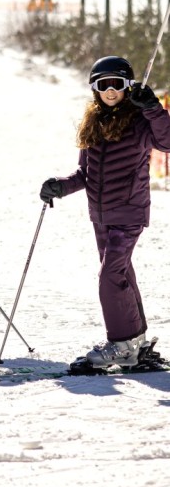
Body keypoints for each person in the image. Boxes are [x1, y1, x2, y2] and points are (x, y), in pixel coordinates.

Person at [39, 56, 170, 368]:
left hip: (129, 212)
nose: (111, 91)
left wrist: (152, 108)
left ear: (128, 86)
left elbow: (168, 142)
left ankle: (121, 344)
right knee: (121, 274)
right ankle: (135, 341)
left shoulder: (140, 121)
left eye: (117, 84)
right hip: (100, 216)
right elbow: (84, 174)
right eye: (103, 84)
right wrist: (59, 185)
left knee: (109, 276)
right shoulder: (93, 124)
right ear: (94, 89)